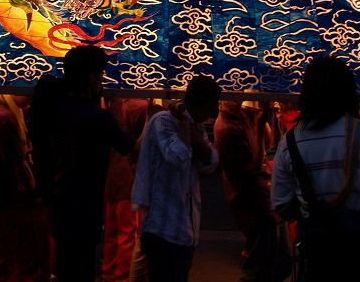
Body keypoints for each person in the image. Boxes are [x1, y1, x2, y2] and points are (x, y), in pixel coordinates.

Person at [271, 56, 360, 282]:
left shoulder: (290, 141)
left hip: (317, 257)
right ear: (348, 92)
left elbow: (280, 203)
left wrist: (310, 213)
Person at [49, 45, 135, 282]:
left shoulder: (55, 111)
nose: (102, 81)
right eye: (101, 75)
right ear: (91, 78)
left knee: (65, 267)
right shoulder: (99, 117)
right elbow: (129, 146)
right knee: (82, 267)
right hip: (86, 208)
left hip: (59, 203)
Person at [132, 75, 221, 282]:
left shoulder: (196, 127)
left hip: (185, 229)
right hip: (162, 227)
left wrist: (190, 131)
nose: (215, 110)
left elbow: (211, 162)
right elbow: (178, 157)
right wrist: (185, 128)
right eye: (214, 104)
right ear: (204, 102)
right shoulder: (163, 122)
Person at [214, 100, 288, 282]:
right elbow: (253, 167)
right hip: (251, 200)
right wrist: (260, 125)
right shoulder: (228, 128)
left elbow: (269, 141)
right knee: (258, 265)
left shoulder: (242, 114)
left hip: (263, 194)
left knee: (279, 260)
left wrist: (261, 117)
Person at [0, 93, 49, 282]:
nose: (31, 96)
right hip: (13, 199)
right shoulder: (3, 116)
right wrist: (32, 190)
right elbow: (17, 163)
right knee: (26, 263)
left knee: (3, 261)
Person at [101, 97, 149, 282]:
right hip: (129, 177)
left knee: (112, 231)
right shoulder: (138, 107)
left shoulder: (113, 103)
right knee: (128, 232)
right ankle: (123, 276)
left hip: (112, 173)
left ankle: (109, 273)